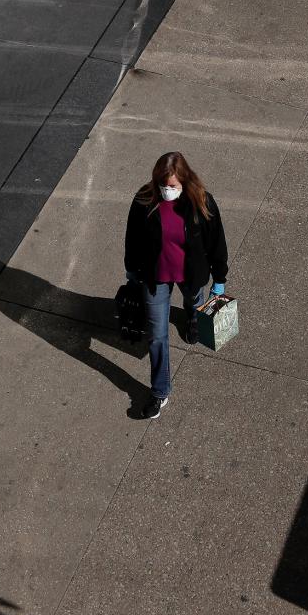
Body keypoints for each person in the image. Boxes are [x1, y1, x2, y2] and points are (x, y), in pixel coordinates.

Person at [123, 151, 229, 419]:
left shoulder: (202, 202)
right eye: (163, 185)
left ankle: (192, 317)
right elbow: (132, 237)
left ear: (185, 181)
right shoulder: (144, 200)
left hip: (190, 274)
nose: (167, 191)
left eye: (172, 186)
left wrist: (219, 280)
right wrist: (131, 269)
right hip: (154, 277)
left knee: (194, 301)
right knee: (157, 335)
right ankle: (160, 392)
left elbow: (216, 243)